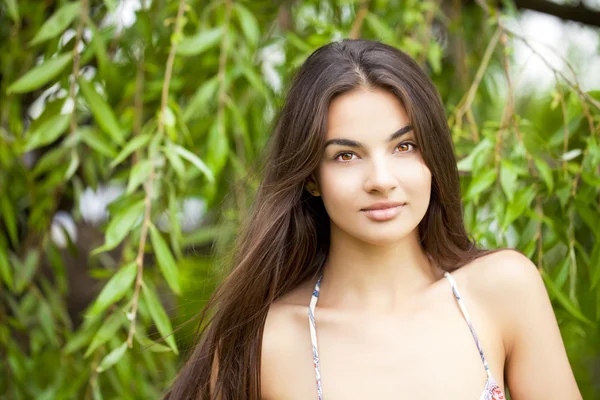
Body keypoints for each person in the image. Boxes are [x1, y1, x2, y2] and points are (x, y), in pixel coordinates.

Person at [165, 39, 581, 400]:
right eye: (346, 155)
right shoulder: (267, 341)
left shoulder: (501, 290)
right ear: (312, 176)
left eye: (405, 146)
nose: (381, 181)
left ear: (432, 155)